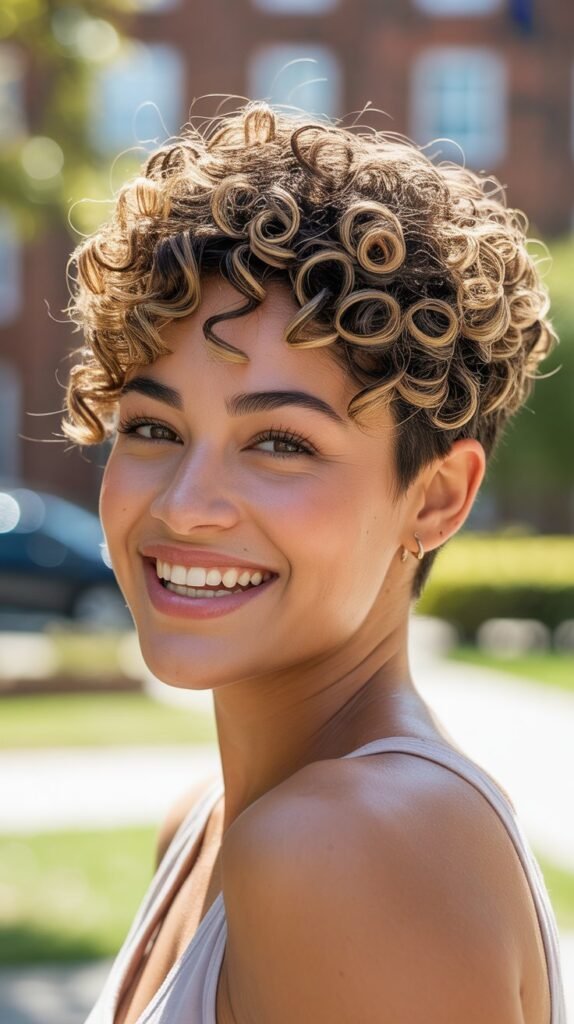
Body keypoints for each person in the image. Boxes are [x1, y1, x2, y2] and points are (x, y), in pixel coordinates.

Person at [62, 99, 566, 1023]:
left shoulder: (348, 850)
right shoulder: (211, 823)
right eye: (153, 428)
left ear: (439, 496)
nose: (183, 505)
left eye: (281, 444)